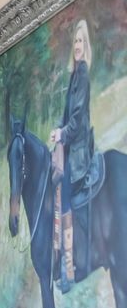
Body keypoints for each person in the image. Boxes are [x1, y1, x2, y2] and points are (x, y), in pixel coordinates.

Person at [49, 18, 97, 292]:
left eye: (81, 41)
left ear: (86, 45)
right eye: (75, 41)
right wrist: (57, 128)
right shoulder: (73, 75)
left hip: (77, 150)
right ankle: (60, 261)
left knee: (63, 191)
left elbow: (77, 121)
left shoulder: (84, 75)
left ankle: (67, 269)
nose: (77, 46)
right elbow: (67, 115)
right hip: (69, 143)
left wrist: (62, 134)